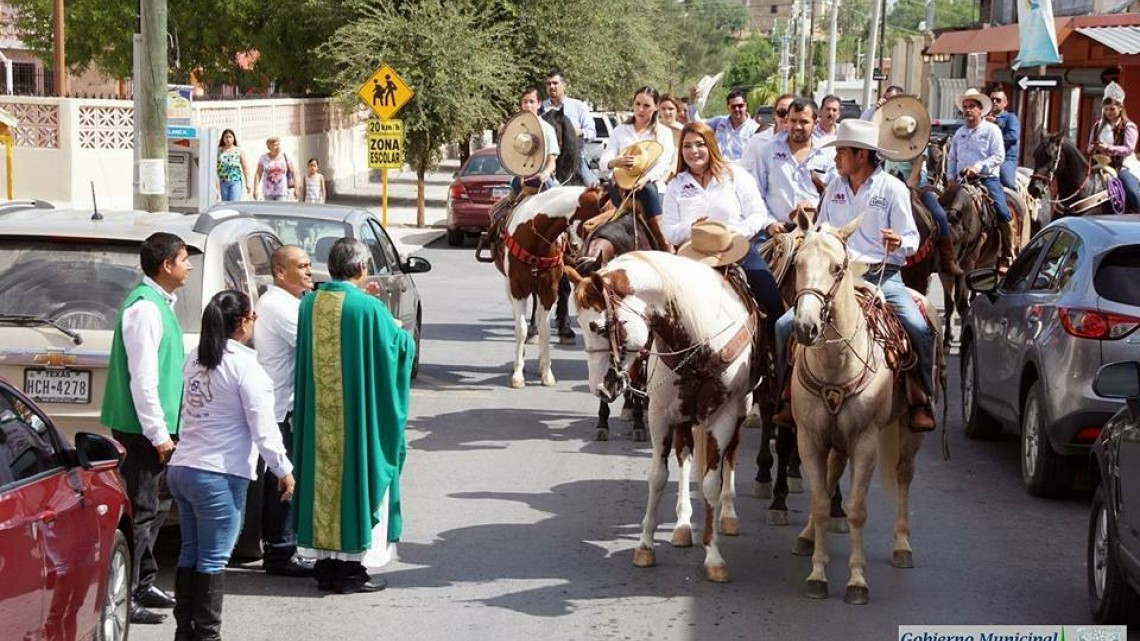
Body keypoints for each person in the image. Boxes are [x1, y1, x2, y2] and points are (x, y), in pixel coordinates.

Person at [772, 119, 937, 433]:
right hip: (837, 279)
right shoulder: (834, 187)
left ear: (861, 155)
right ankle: (785, 395)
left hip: (882, 275)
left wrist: (899, 242)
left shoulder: (893, 188)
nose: (836, 158)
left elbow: (912, 239)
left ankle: (921, 398)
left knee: (918, 327)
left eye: (842, 152)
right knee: (783, 326)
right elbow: (821, 229)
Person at [168, 290, 295, 641]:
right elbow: (264, 428)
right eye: (252, 316)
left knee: (191, 551)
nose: (254, 321)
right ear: (242, 322)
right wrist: (283, 469)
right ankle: (207, 635)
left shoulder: (196, 358)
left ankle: (185, 632)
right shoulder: (245, 367)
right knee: (212, 558)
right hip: (217, 473)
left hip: (184, 467)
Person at [292, 238, 415, 595]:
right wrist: (398, 330)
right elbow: (398, 351)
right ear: (361, 268)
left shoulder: (309, 304)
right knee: (355, 480)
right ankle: (349, 572)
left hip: (318, 423)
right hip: (355, 423)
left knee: (322, 485)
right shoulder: (368, 308)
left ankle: (325, 567)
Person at [100, 232, 193, 624]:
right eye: (184, 259)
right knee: (141, 510)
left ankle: (144, 581)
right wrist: (158, 434)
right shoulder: (144, 309)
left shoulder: (160, 304)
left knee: (158, 505)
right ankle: (128, 589)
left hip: (161, 427)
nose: (189, 266)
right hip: (141, 430)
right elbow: (143, 380)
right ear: (166, 265)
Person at [662, 121, 784, 322]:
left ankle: (775, 341)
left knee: (770, 297)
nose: (693, 151)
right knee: (667, 308)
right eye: (687, 146)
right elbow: (670, 231)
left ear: (711, 145)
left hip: (738, 247)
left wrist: (732, 234)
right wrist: (693, 229)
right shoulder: (675, 185)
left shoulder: (734, 174)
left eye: (700, 144)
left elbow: (757, 213)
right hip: (692, 253)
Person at [253, 245, 316, 578]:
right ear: (280, 272)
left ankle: (282, 547)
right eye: (302, 266)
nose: (309, 271)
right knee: (282, 481)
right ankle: (280, 552)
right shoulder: (278, 306)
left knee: (283, 479)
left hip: (284, 406)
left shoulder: (291, 302)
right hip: (278, 409)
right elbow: (315, 343)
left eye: (309, 265)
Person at [599, 85, 675, 252]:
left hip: (650, 186)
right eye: (637, 104)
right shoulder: (620, 130)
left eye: (646, 106)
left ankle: (663, 242)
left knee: (648, 190)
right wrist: (615, 162)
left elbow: (664, 163)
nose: (641, 109)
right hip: (621, 185)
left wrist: (646, 179)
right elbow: (604, 161)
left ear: (656, 107)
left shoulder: (664, 133)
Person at [946, 88, 1014, 266]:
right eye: (965, 107)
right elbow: (952, 158)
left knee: (1002, 211)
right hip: (961, 182)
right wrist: (950, 177)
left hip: (986, 179)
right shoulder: (959, 133)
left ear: (980, 109)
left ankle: (1008, 253)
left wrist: (977, 168)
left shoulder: (992, 130)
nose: (967, 110)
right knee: (943, 210)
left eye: (971, 107)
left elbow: (998, 156)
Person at [743, 98, 836, 224]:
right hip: (776, 229)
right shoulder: (767, 150)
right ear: (787, 120)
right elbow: (756, 194)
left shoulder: (827, 154)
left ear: (816, 122)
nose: (797, 126)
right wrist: (769, 223)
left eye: (804, 122)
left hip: (815, 229)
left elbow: (835, 196)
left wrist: (815, 207)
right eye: (793, 120)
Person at [1088, 81, 1140, 212]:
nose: (1108, 112)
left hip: (1123, 165)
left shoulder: (1128, 126)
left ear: (1120, 108)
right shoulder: (1098, 126)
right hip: (1100, 164)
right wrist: (1094, 148)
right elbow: (1089, 145)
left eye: (1112, 109)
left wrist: (1109, 148)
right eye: (1106, 109)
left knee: (1132, 191)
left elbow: (1128, 149)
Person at [542, 70, 598, 187]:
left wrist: (578, 132)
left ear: (564, 85)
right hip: (547, 160)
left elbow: (592, 132)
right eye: (548, 84)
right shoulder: (541, 108)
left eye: (555, 83)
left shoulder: (579, 106)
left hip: (575, 160)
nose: (551, 86)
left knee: (592, 187)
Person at [510, 87, 560, 194]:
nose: (528, 105)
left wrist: (545, 174)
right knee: (510, 197)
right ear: (521, 104)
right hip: (521, 178)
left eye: (532, 102)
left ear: (539, 104)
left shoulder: (548, 129)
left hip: (542, 178)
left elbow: (552, 162)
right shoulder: (515, 128)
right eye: (525, 102)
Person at [686, 88, 760, 161]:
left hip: (739, 167)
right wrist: (691, 101)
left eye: (740, 106)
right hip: (718, 165)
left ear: (746, 106)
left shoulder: (754, 129)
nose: (737, 109)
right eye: (733, 106)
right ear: (728, 107)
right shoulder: (719, 122)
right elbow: (698, 124)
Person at [987, 89, 1021, 191]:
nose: (994, 102)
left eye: (998, 100)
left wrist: (996, 122)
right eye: (992, 99)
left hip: (1006, 158)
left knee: (1007, 182)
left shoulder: (1011, 118)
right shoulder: (983, 118)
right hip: (985, 157)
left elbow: (1013, 137)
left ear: (1005, 103)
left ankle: (1015, 199)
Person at [254, 136, 296, 201]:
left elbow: (293, 172)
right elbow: (258, 174)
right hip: (268, 192)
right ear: (269, 147)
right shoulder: (263, 158)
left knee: (281, 207)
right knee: (269, 207)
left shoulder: (285, 156)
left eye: (278, 144)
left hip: (282, 191)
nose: (278, 147)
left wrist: (296, 187)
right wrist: (256, 189)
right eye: (275, 145)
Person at [216, 129, 250, 202]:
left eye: (230, 137)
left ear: (233, 138)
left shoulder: (238, 150)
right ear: (223, 138)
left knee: (234, 202)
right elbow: (214, 167)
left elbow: (245, 167)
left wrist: (248, 183)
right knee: (225, 204)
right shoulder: (219, 151)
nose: (228, 139)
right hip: (223, 181)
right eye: (226, 137)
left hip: (235, 181)